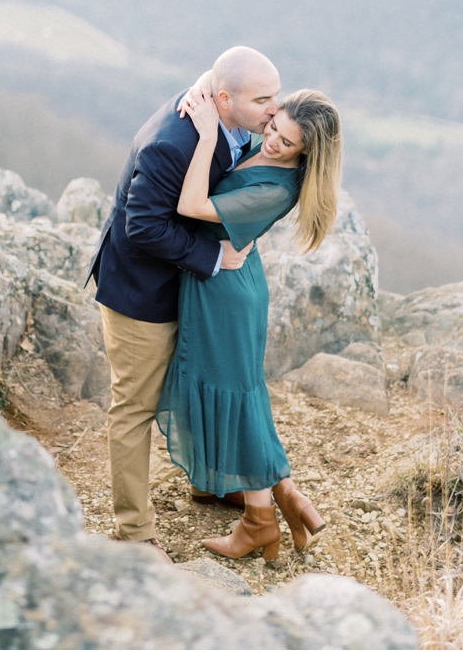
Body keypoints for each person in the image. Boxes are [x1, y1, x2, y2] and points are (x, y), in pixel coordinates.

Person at [88, 46, 281, 562]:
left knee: (193, 384)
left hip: (184, 288)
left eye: (276, 95)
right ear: (223, 99)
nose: (274, 109)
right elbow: (143, 225)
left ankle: (210, 482)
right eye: (263, 99)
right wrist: (213, 256)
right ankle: (134, 532)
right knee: (134, 408)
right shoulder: (172, 144)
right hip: (141, 294)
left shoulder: (231, 117)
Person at [155, 85, 343, 561]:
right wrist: (207, 95)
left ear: (307, 154)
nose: (273, 140)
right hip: (221, 279)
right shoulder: (267, 148)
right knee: (243, 394)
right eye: (273, 125)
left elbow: (191, 206)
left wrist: (203, 136)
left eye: (286, 142)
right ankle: (285, 495)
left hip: (227, 293)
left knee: (235, 398)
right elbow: (233, 87)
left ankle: (259, 521)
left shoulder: (277, 187)